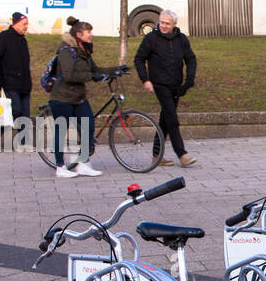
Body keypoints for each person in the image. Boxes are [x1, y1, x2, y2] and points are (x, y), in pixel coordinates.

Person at [48, 15, 124, 178]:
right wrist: (91, 76)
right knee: (61, 131)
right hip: (62, 98)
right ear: (79, 35)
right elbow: (69, 75)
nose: (91, 34)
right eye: (88, 32)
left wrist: (116, 70)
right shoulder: (66, 50)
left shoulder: (84, 51)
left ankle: (82, 164)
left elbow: (96, 69)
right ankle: (60, 167)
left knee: (88, 126)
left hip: (78, 98)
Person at [135, 9, 198, 168]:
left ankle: (157, 156)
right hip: (159, 84)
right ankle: (182, 154)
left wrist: (189, 80)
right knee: (172, 118)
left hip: (176, 85)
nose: (163, 25)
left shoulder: (181, 39)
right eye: (161, 22)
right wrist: (145, 80)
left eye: (167, 23)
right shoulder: (151, 38)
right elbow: (139, 59)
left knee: (165, 121)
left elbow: (191, 59)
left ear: (174, 25)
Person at [0, 11, 32, 150]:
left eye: (27, 24)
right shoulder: (4, 37)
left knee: (25, 114)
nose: (26, 26)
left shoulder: (23, 39)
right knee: (14, 111)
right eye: (24, 24)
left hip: (24, 84)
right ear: (15, 23)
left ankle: (23, 143)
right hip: (10, 82)